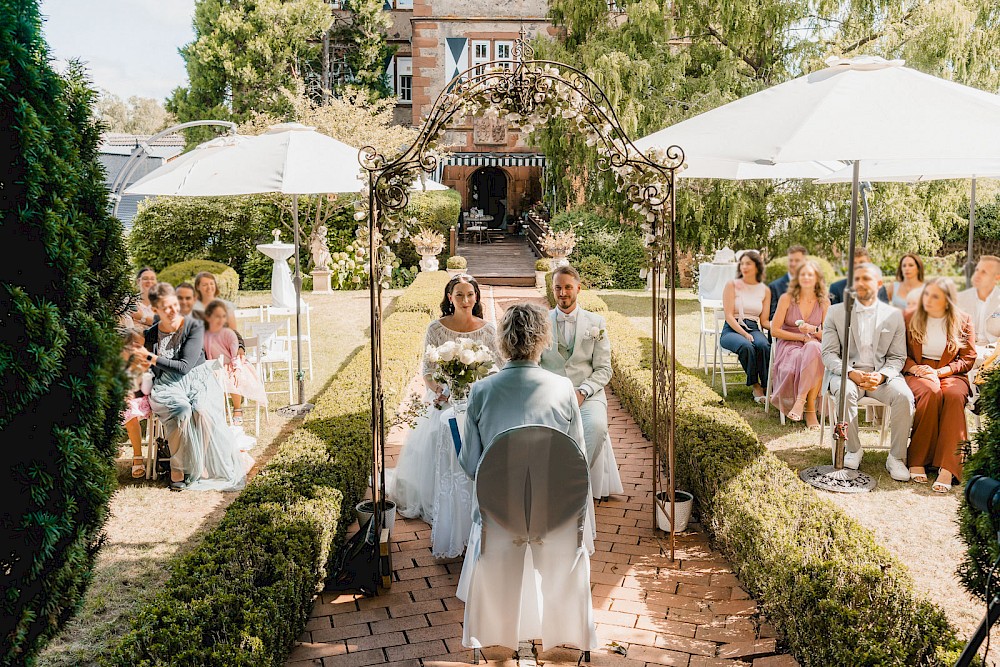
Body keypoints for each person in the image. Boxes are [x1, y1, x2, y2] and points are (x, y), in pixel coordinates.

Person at [387, 274, 503, 558]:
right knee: (442, 433)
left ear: (476, 297)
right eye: (459, 295)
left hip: (477, 397)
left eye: (470, 294)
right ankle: (442, 501)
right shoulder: (436, 329)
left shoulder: (488, 329)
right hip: (444, 397)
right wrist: (442, 391)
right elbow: (427, 370)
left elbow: (500, 365)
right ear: (449, 298)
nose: (465, 300)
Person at [139, 283, 253, 491]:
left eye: (175, 305)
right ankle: (178, 467)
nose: (173, 310)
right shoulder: (151, 334)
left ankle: (199, 463)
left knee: (201, 410)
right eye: (166, 307)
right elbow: (149, 369)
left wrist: (151, 357)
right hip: (167, 385)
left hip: (198, 379)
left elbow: (184, 367)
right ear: (156, 310)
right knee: (181, 410)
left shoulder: (193, 326)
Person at [821, 263, 913, 481]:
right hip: (847, 374)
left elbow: (898, 357)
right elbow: (829, 354)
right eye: (857, 279)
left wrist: (881, 376)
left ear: (879, 284)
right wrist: (851, 373)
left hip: (881, 377)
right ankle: (853, 449)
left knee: (904, 396)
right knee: (845, 391)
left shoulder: (894, 315)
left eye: (866, 279)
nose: (860, 283)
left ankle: (896, 458)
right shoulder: (835, 312)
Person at [902, 278, 976, 492]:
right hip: (917, 370)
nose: (928, 300)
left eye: (935, 296)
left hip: (950, 372)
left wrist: (940, 372)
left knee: (953, 396)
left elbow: (968, 358)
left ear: (947, 300)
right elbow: (897, 353)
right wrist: (918, 370)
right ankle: (918, 458)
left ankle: (949, 466)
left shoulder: (963, 320)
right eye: (926, 294)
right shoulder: (908, 317)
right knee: (931, 393)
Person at [539, 265, 612, 464]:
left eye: (568, 287)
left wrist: (583, 391)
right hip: (550, 396)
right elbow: (533, 364)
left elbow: (604, 369)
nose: (562, 293)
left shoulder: (596, 322)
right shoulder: (540, 322)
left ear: (578, 288)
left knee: (596, 427)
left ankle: (575, 477)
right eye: (557, 288)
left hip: (587, 395)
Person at [769, 260, 829, 428]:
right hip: (789, 346)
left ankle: (801, 401)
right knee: (814, 351)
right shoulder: (786, 298)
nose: (806, 278)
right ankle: (809, 410)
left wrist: (813, 330)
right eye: (803, 274)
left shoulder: (824, 303)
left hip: (814, 345)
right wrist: (802, 338)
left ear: (817, 278)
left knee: (814, 348)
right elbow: (774, 330)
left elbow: (829, 335)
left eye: (810, 274)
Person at [203, 299, 268, 427]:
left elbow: (235, 355)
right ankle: (220, 410)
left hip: (233, 363)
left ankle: (237, 408)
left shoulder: (229, 333)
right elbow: (206, 353)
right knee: (214, 378)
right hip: (215, 364)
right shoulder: (205, 335)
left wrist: (236, 369)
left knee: (231, 379)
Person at [720, 250, 771, 403]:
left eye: (748, 263)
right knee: (746, 346)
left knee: (763, 345)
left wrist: (780, 328)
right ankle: (756, 386)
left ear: (757, 266)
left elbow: (764, 322)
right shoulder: (732, 285)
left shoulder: (765, 290)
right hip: (732, 329)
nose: (744, 267)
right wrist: (743, 333)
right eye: (742, 263)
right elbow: (728, 315)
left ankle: (767, 385)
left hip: (754, 327)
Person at [121, 327, 153, 478]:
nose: (137, 349)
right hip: (121, 398)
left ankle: (137, 455)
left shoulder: (143, 363)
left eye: (141, 345)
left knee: (130, 412)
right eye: (134, 345)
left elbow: (145, 388)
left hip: (140, 400)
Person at [957, 255, 1000, 361]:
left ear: (997, 278)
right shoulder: (960, 299)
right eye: (977, 270)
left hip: (993, 354)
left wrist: (993, 352)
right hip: (964, 352)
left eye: (984, 272)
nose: (977, 275)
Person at [768, 245, 807, 320]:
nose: (793, 264)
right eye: (790, 260)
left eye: (797, 260)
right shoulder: (774, 286)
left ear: (805, 261)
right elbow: (772, 316)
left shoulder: (813, 286)